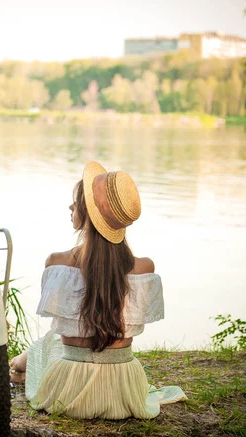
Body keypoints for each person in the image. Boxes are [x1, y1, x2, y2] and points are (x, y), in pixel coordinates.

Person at [10, 161, 187, 419]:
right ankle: (21, 367)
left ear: (89, 216)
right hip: (124, 389)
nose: (71, 207)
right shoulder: (144, 269)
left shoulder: (57, 263)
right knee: (51, 344)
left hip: (68, 390)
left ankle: (18, 367)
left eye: (77, 202)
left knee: (48, 343)